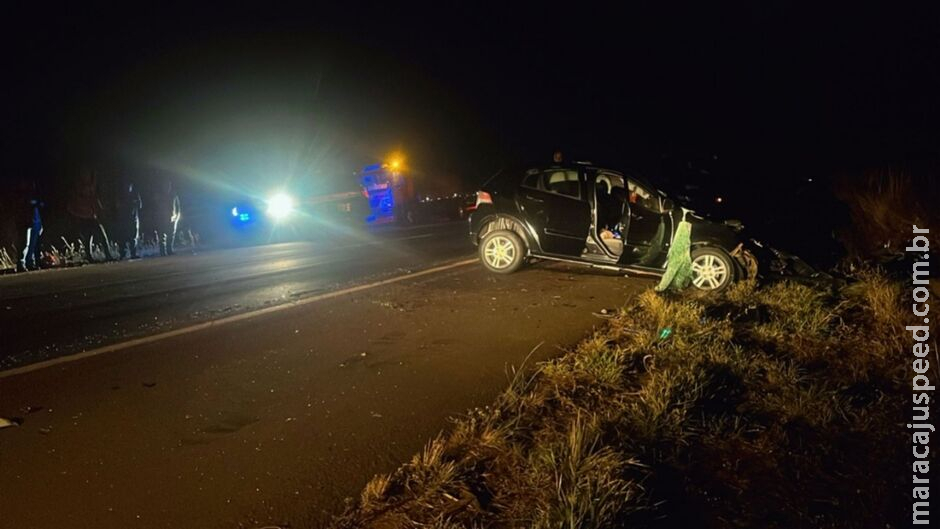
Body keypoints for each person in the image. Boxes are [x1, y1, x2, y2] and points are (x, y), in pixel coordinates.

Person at [67, 170, 114, 262]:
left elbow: (94, 199)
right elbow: (71, 207)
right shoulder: (80, 189)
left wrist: (99, 210)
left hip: (92, 216)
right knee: (88, 238)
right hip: (85, 218)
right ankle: (89, 256)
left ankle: (106, 254)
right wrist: (79, 214)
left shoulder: (89, 190)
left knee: (101, 235)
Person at [15, 179, 43, 272]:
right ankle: (21, 263)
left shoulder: (34, 196)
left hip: (35, 221)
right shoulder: (23, 196)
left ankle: (30, 262)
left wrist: (39, 224)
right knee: (25, 243)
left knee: (33, 244)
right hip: (27, 222)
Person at [114, 181, 142, 259]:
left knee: (133, 238)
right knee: (122, 238)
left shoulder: (135, 195)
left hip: (133, 220)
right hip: (123, 220)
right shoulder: (121, 196)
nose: (128, 187)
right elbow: (118, 206)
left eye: (129, 185)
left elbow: (140, 205)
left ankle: (133, 253)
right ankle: (122, 254)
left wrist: (135, 201)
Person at [154, 179, 181, 256]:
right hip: (161, 218)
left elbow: (178, 206)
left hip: (172, 218)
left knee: (171, 234)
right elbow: (155, 207)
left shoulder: (174, 195)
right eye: (165, 185)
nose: (167, 187)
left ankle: (169, 250)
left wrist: (177, 216)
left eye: (168, 185)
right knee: (161, 235)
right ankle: (162, 251)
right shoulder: (159, 195)